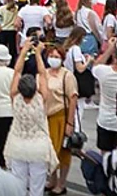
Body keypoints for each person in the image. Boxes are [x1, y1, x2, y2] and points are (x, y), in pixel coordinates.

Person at [4, 39, 55, 196]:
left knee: (18, 187)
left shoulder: (15, 98)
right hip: (38, 148)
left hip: (18, 146)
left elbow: (17, 72)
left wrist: (24, 51)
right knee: (37, 189)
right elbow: (43, 73)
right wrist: (38, 53)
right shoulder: (41, 99)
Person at [43, 44, 77, 195]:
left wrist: (70, 122)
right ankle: (52, 179)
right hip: (46, 117)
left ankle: (61, 183)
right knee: (48, 152)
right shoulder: (44, 73)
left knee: (62, 152)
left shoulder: (67, 75)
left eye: (57, 57)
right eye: (51, 56)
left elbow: (73, 98)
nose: (53, 59)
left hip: (61, 116)